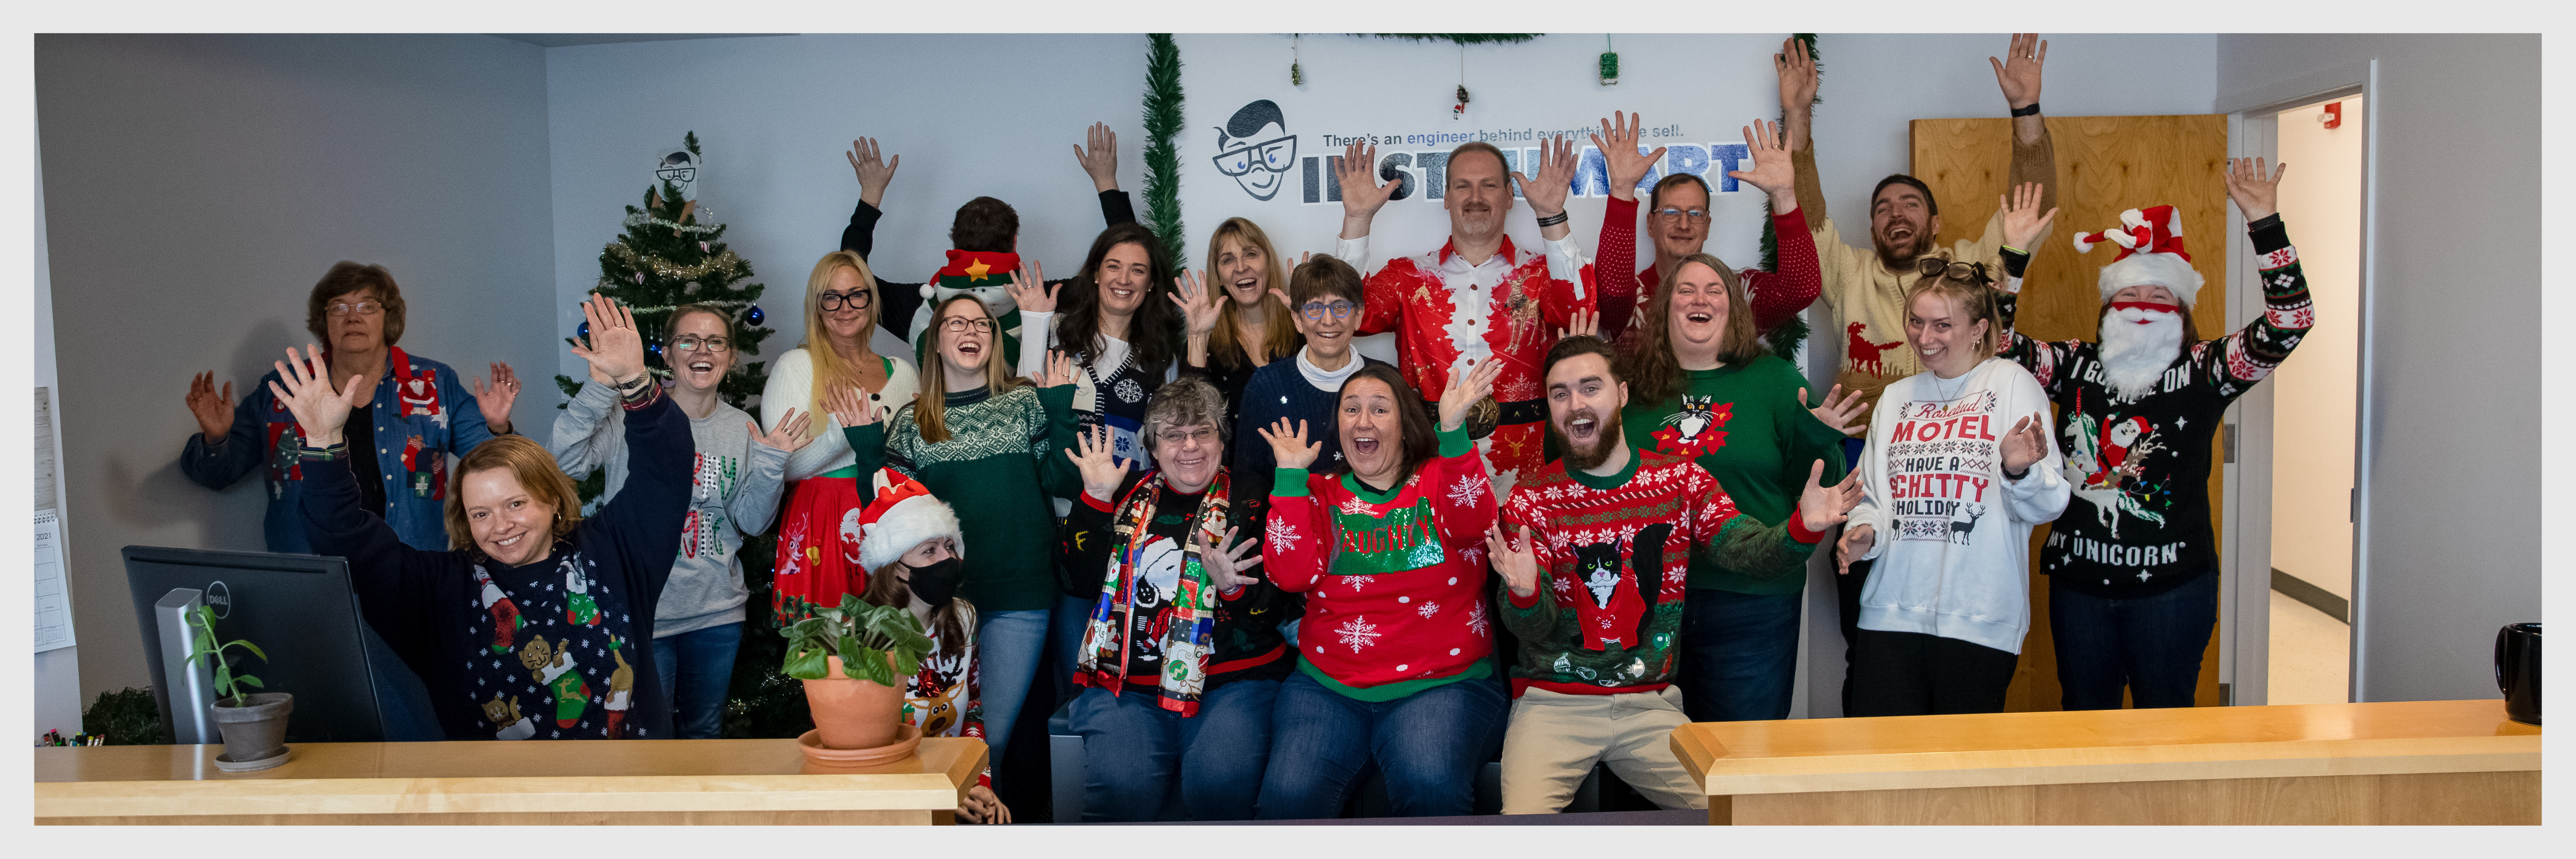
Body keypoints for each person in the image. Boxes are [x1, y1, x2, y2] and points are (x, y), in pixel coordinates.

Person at [1784, 34, 2061, 706]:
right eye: (1883, 208)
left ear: (1935, 222)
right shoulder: (1846, 272)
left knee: (1957, 670)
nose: (1895, 215)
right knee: (1870, 635)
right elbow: (1805, 213)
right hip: (1865, 462)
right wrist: (1801, 119)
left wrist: (2028, 113)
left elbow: (2030, 210)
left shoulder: (1972, 273)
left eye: (1910, 205)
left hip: (1966, 476)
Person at [1487, 336, 1860, 813]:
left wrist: (1801, 530)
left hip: (1651, 706)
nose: (1575, 403)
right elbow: (1529, 627)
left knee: (1738, 815)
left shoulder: (1681, 480)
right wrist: (1524, 592)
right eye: (1560, 393)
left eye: (1590, 387)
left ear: (1621, 395)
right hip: (1553, 706)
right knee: (1518, 829)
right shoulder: (1530, 499)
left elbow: (1746, 549)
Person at [290, 294, 687, 740]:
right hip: (500, 804)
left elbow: (667, 468)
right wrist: (323, 442)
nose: (500, 525)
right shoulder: (438, 591)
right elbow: (343, 535)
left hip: (630, 793)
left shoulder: (616, 550)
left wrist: (634, 380)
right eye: (481, 512)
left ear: (553, 500)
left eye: (516, 504)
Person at [1996, 158, 2308, 710]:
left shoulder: (2209, 367)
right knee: (2084, 725)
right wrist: (2014, 257)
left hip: (2173, 594)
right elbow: (1995, 343)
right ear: (2108, 307)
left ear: (2182, 312)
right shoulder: (2072, 363)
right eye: (2129, 297)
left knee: (2166, 730)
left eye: (2159, 298)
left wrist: (2266, 222)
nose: (2143, 309)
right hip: (2080, 590)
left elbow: (2290, 321)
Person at [1616, 249, 1865, 723]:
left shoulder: (1773, 380)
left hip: (1753, 603)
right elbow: (1589, 470)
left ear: (1733, 309)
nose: (1700, 299)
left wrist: (1817, 438)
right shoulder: (1630, 386)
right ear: (1666, 306)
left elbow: (1825, 488)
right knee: (1648, 758)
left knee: (1743, 756)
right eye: (1686, 289)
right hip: (1648, 602)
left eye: (1714, 290)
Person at [1253, 360, 1507, 819]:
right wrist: (1289, 479)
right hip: (1328, 686)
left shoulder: (1438, 476)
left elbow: (1475, 523)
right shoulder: (1316, 491)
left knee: (1429, 784)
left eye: (1379, 409)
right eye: (1351, 409)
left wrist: (1453, 432)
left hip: (1441, 684)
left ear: (1405, 426)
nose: (1363, 421)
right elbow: (1290, 575)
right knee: (1288, 798)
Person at [843, 294, 1083, 775]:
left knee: (984, 742)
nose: (970, 330)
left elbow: (1067, 482)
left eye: (982, 324)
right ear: (934, 342)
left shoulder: (1024, 404)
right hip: (941, 604)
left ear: (994, 342)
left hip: (1020, 597)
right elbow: (886, 511)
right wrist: (869, 449)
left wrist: (1059, 410)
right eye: (956, 322)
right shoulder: (912, 422)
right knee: (932, 735)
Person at [550, 303, 807, 739]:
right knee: (645, 735)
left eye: (716, 341)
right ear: (667, 354)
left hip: (717, 612)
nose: (701, 350)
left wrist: (771, 461)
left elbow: (754, 521)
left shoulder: (742, 427)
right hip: (643, 609)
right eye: (688, 340)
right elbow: (565, 462)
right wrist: (598, 390)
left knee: (704, 731)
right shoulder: (627, 415)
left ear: (730, 356)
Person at [1057, 378, 1297, 821]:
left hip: (1233, 680)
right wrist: (1095, 498)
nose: (1190, 445)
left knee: (1218, 782)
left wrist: (1233, 587)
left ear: (1222, 439)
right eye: (1173, 433)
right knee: (1122, 791)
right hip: (1127, 683)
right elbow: (1078, 580)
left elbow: (1276, 611)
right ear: (1152, 445)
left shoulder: (1256, 496)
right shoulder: (1123, 489)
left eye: (1202, 431)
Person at [1836, 265, 2069, 716]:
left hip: (1979, 622)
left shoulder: (2011, 385)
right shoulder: (1897, 397)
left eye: (1943, 324)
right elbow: (1874, 500)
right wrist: (1863, 532)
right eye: (1916, 321)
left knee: (1957, 775)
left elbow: (2052, 502)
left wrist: (2019, 470)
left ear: (1980, 329)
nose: (1925, 337)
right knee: (1881, 765)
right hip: (1890, 614)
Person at [183, 261, 518, 553]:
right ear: (325, 321)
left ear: (389, 317)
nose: (353, 317)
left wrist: (498, 428)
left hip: (409, 571)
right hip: (312, 578)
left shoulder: (435, 383)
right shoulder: (285, 388)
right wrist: (216, 438)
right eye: (339, 308)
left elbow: (497, 467)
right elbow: (218, 475)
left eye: (368, 306)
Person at [1333, 135, 1597, 498]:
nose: (1475, 198)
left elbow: (1580, 310)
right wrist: (1358, 219)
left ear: (1508, 197)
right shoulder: (1408, 276)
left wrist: (1551, 216)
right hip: (1430, 466)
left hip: (1529, 476)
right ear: (1446, 198)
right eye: (1463, 186)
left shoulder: (1538, 274)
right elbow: (1348, 318)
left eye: (1488, 186)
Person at [837, 124, 1136, 351]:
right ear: (1014, 244)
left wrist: (870, 195)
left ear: (953, 246)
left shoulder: (920, 307)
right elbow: (1129, 264)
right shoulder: (1045, 301)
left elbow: (849, 275)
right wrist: (1106, 182)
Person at [843, 465, 1011, 823]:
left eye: (950, 546)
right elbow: (855, 751)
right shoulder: (857, 636)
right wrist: (938, 790)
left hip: (952, 785)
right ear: (894, 566)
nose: (947, 559)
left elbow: (974, 712)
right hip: (885, 802)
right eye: (929, 550)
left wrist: (976, 782)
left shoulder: (964, 618)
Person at [762, 251, 922, 623]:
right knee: (826, 646)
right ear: (817, 306)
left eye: (856, 295)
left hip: (891, 516)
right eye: (831, 297)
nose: (845, 307)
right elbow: (783, 468)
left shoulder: (903, 373)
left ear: (871, 300)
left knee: (893, 640)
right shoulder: (796, 367)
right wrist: (843, 437)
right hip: (824, 521)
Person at [1591, 113, 1820, 347]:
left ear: (1708, 226)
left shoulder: (1735, 292)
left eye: (1696, 214)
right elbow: (1613, 292)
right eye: (1670, 213)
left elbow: (1801, 290)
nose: (1683, 224)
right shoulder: (1631, 297)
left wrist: (1783, 195)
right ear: (1651, 225)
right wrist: (1622, 187)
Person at [1231, 254, 1393, 521]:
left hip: (1374, 540)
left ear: (1359, 316)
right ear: (1297, 319)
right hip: (1293, 534)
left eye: (1340, 307)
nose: (1328, 321)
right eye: (1314, 308)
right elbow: (1249, 480)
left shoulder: (1388, 382)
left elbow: (1409, 473)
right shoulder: (1265, 386)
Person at [1178, 216, 1304, 427]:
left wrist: (1313, 322)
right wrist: (1198, 338)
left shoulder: (1301, 330)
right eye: (1228, 260)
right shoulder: (1204, 342)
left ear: (1269, 263)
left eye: (1251, 254)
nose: (1241, 267)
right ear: (1218, 276)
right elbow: (1190, 424)